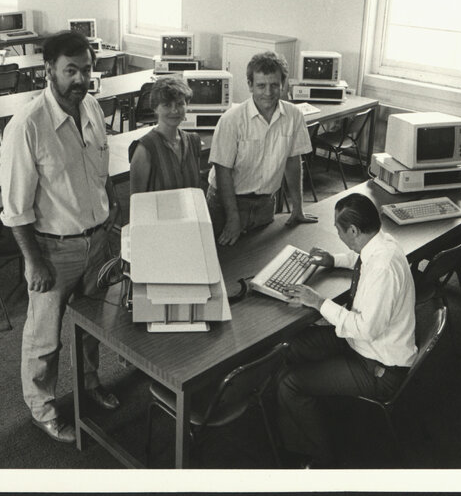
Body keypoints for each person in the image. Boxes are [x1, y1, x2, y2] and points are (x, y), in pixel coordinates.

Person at [0, 30, 122, 444]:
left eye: (87, 70)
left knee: (94, 326)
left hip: (98, 242)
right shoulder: (28, 126)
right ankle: (42, 409)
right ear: (48, 71)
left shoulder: (92, 109)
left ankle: (90, 383)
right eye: (71, 71)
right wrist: (34, 261)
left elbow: (97, 176)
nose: (81, 79)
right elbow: (15, 208)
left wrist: (108, 217)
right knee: (44, 337)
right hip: (55, 250)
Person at [277, 193, 418, 468]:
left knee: (289, 383)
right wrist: (333, 260)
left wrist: (318, 302)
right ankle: (308, 417)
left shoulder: (382, 269)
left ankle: (319, 458)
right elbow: (358, 258)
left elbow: (365, 330)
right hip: (368, 346)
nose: (336, 232)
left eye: (338, 228)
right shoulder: (383, 243)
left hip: (378, 366)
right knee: (293, 347)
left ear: (353, 230)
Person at [206, 51, 317, 245]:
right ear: (250, 85)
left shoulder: (294, 115)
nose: (268, 92)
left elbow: (293, 162)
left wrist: (297, 208)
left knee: (258, 259)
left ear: (283, 84)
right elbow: (223, 172)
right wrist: (233, 219)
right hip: (227, 203)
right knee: (223, 261)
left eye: (274, 85)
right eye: (261, 86)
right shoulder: (231, 120)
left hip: (265, 204)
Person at [128, 76, 203, 194]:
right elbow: (137, 202)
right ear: (155, 108)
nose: (174, 110)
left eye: (179, 104)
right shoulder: (144, 150)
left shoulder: (194, 141)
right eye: (167, 105)